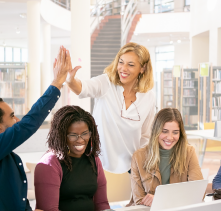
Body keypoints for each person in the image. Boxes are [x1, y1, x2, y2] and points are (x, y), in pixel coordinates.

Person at [0, 46, 70, 211]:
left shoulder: (9, 157)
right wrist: (57, 82)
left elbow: (16, 201)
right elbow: (28, 124)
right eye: (12, 116)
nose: (17, 120)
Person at [65, 42, 156, 174]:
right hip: (97, 166)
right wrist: (70, 79)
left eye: (130, 65)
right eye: (121, 62)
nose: (123, 68)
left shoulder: (149, 97)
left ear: (143, 68)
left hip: (131, 169)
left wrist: (140, 165)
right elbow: (82, 88)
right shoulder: (106, 83)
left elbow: (146, 136)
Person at [34, 105, 110, 211]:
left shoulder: (94, 160)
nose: (80, 140)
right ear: (61, 136)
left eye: (85, 134)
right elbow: (49, 209)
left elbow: (102, 204)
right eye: (73, 135)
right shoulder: (49, 163)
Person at [128, 108, 203, 207]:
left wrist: (161, 199)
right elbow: (139, 200)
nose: (170, 137)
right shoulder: (138, 157)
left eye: (175, 132)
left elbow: (198, 193)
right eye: (165, 131)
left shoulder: (189, 152)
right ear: (156, 131)